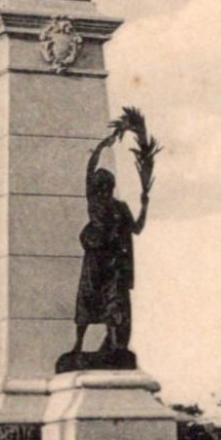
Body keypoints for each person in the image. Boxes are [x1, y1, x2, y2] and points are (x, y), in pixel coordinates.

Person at [71, 134, 148, 357]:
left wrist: (144, 206)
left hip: (113, 263)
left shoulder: (120, 207)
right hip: (95, 262)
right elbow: (88, 172)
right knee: (86, 303)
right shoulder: (94, 202)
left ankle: (114, 345)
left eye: (106, 187)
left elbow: (137, 228)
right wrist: (99, 149)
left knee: (113, 305)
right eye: (100, 187)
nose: (104, 190)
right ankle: (77, 346)